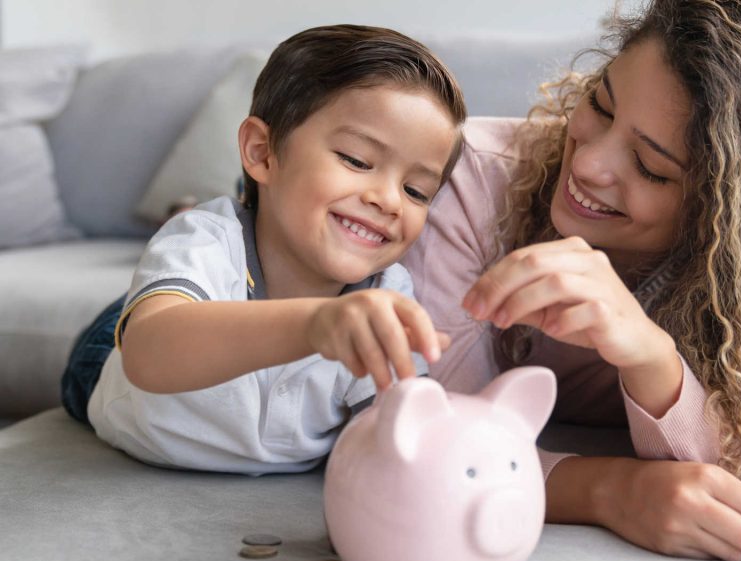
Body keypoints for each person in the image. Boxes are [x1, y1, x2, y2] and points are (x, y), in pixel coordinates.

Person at [402, 0, 741, 561]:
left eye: (650, 168)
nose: (589, 164)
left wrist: (652, 357)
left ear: (726, 209)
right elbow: (435, 443)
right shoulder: (467, 183)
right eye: (601, 107)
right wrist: (611, 490)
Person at [60, 24, 467, 475]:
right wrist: (315, 325)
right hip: (115, 360)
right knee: (157, 289)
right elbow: (147, 353)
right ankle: (181, 242)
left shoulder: (388, 294)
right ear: (262, 151)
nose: (388, 200)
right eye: (355, 160)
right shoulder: (207, 240)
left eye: (416, 191)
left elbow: (394, 436)